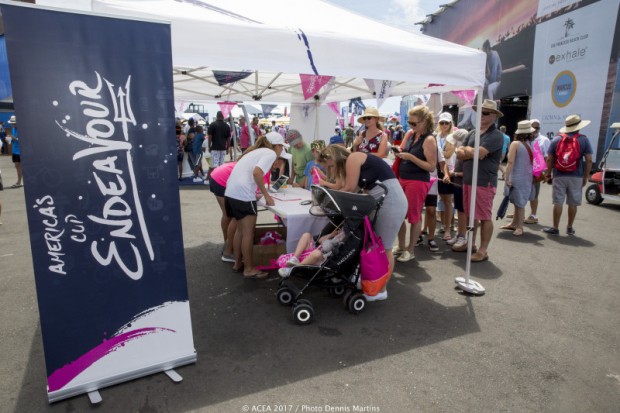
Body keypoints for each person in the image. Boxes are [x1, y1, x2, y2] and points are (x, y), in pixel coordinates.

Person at [336, 146, 407, 301]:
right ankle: (373, 283)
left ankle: (381, 290)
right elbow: (354, 189)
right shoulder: (358, 160)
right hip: (385, 201)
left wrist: (331, 198)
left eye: (329, 165)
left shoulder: (353, 158)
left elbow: (350, 188)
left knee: (385, 248)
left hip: (391, 202)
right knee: (374, 245)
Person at [225, 132, 285, 279]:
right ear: (277, 146)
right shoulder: (270, 153)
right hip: (243, 196)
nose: (282, 151)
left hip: (231, 193)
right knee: (248, 233)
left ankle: (238, 263)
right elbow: (257, 173)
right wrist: (266, 195)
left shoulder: (256, 151)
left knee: (240, 231)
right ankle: (249, 269)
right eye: (282, 147)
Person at [454, 99, 504, 262]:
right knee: (471, 215)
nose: (481, 115)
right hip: (469, 180)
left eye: (486, 113)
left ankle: (483, 250)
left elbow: (479, 153)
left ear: (494, 116)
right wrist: (471, 152)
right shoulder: (473, 133)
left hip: (484, 182)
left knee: (484, 216)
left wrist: (468, 151)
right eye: (480, 112)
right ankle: (471, 244)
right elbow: (459, 153)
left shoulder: (496, 135)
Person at [394, 105, 437, 262]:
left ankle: (410, 250)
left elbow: (431, 166)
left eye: (414, 123)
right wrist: (399, 151)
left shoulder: (429, 139)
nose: (411, 126)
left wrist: (411, 157)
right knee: (398, 214)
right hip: (403, 178)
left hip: (417, 181)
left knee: (414, 216)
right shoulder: (411, 134)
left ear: (424, 121)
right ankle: (401, 246)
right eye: (409, 122)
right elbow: (402, 149)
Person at [543, 115, 593, 236]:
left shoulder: (557, 139)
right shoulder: (584, 140)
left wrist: (548, 174)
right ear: (578, 127)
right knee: (573, 203)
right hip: (576, 175)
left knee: (558, 202)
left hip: (559, 175)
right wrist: (585, 177)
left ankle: (555, 228)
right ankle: (569, 228)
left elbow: (549, 159)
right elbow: (589, 160)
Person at [501, 120, 536, 236]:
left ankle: (519, 226)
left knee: (519, 203)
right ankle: (514, 223)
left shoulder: (515, 144)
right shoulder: (530, 144)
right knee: (518, 202)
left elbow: (510, 162)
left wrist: (506, 176)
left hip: (517, 176)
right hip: (527, 176)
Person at [277, 228, 345, 278]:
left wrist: (340, 237)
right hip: (315, 250)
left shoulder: (342, 240)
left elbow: (329, 248)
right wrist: (332, 235)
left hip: (323, 257)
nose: (341, 230)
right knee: (306, 235)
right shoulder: (336, 236)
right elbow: (320, 240)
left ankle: (293, 269)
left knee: (316, 253)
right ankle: (295, 258)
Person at [524, 119, 550, 224]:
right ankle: (518, 212)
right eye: (533, 127)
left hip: (536, 171)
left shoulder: (544, 140)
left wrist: (546, 173)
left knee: (534, 194)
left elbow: (548, 158)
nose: (535, 130)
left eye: (537, 128)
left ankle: (533, 215)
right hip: (524, 170)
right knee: (521, 192)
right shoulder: (525, 139)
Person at [447, 130, 469, 248]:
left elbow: (468, 172)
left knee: (462, 211)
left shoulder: (466, 153)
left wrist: (454, 173)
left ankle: (462, 236)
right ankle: (460, 234)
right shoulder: (459, 151)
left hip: (462, 185)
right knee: (460, 211)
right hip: (457, 184)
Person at [436, 112, 455, 242]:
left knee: (447, 200)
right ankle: (446, 224)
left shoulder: (452, 137)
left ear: (450, 124)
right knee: (442, 199)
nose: (444, 125)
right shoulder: (436, 136)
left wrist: (439, 152)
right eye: (442, 122)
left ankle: (448, 228)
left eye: (446, 123)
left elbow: (448, 155)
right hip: (437, 170)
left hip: (449, 170)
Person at [8, 116, 22, 188]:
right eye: (12, 123)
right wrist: (9, 139)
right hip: (15, 150)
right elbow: (13, 140)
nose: (12, 124)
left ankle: (19, 182)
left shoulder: (21, 129)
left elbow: (23, 140)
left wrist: (14, 138)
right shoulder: (13, 129)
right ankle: (19, 181)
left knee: (18, 166)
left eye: (14, 123)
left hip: (20, 151)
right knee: (17, 166)